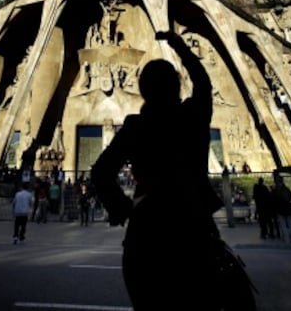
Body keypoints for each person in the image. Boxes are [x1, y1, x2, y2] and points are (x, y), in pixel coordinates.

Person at [91, 29, 256, 310]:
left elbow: (100, 172)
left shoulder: (136, 127)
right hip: (193, 227)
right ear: (177, 86)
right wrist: (180, 45)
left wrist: (122, 209)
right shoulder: (193, 116)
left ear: (143, 91)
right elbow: (203, 82)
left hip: (147, 234)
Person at [272, 177, 291, 244]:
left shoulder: (276, 190)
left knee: (283, 226)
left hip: (280, 210)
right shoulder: (287, 189)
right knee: (290, 225)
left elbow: (274, 201)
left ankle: (287, 240)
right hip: (288, 209)